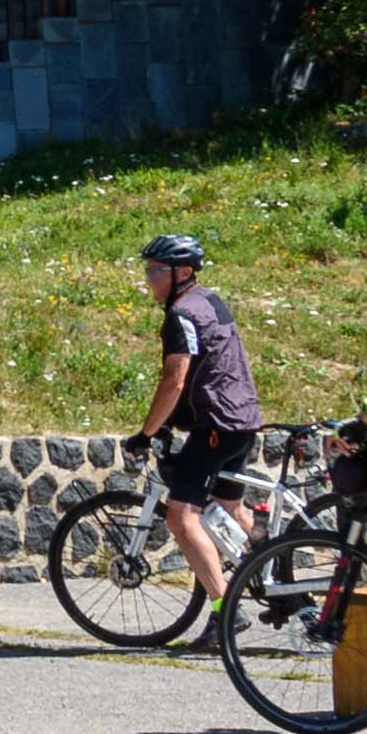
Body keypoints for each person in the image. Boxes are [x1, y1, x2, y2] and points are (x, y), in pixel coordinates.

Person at [123, 231, 267, 587]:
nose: (149, 280)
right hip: (242, 420)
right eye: (148, 271)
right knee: (231, 511)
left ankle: (222, 607)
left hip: (215, 425)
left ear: (184, 272)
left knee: (181, 516)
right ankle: (280, 582)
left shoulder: (181, 314)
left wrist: (146, 433)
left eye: (156, 271)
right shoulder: (209, 301)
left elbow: (175, 379)